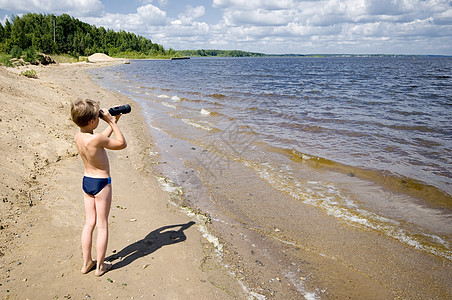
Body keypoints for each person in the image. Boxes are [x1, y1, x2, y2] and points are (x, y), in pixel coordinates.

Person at [70, 98, 127, 276]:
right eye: (97, 116)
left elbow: (100, 138)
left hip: (87, 182)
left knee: (89, 223)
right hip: (102, 184)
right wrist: (110, 121)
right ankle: (101, 267)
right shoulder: (97, 139)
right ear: (92, 121)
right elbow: (121, 143)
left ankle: (87, 263)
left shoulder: (78, 137)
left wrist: (114, 122)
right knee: (102, 225)